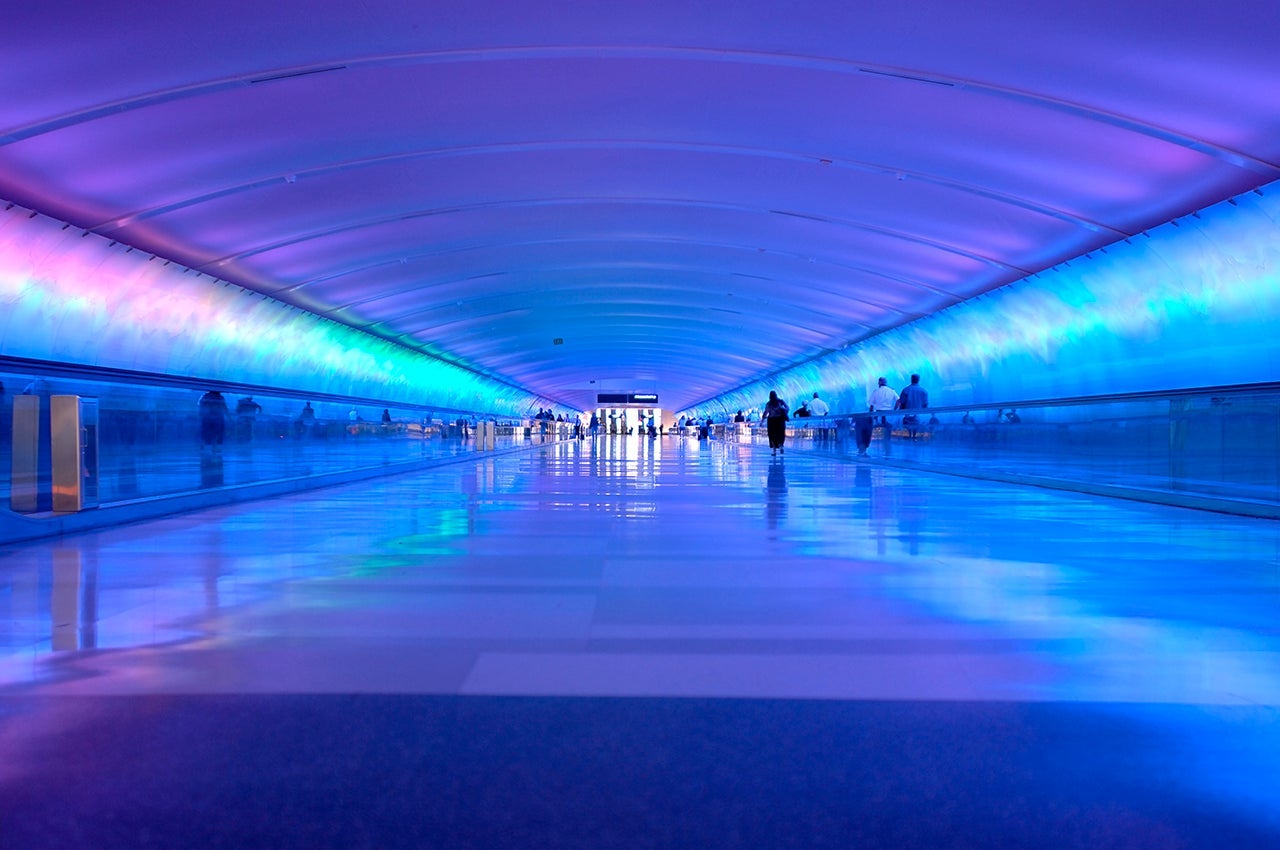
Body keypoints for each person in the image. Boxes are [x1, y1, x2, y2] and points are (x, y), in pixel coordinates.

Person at [896, 374, 929, 439]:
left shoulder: (906, 390)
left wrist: (901, 413)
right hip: (919, 415)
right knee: (916, 428)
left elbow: (902, 403)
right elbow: (925, 405)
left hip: (907, 415)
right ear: (918, 380)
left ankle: (909, 437)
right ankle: (914, 438)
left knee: (908, 429)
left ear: (911, 379)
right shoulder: (924, 391)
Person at [762, 390, 789, 456]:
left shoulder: (768, 404)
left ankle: (774, 451)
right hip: (780, 420)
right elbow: (787, 407)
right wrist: (783, 410)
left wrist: (762, 422)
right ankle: (781, 446)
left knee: (772, 436)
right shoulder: (780, 401)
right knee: (781, 434)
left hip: (771, 420)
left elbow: (766, 412)